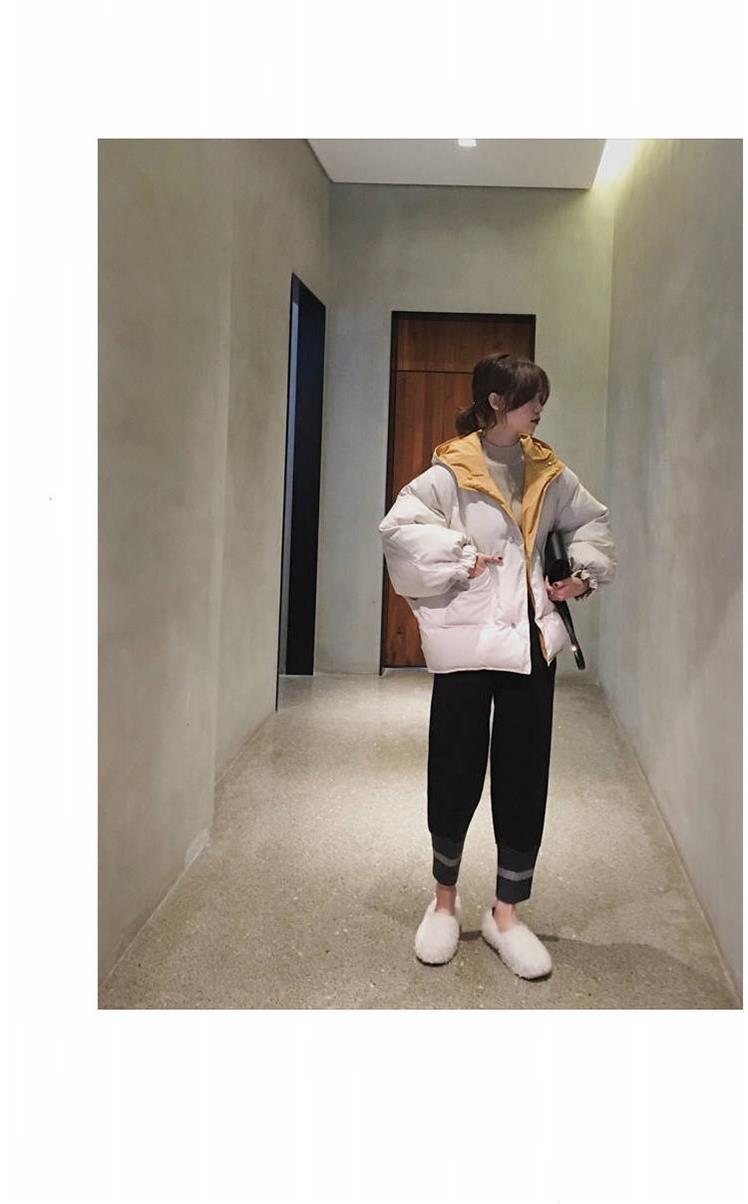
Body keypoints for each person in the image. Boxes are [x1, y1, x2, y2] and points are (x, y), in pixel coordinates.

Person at [378, 352, 617, 980]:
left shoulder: (549, 470)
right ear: (495, 402)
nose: (540, 409)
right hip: (466, 638)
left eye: (542, 398)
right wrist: (460, 553)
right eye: (531, 398)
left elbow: (590, 522)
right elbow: (399, 531)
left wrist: (582, 575)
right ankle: (444, 901)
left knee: (524, 772)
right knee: (454, 765)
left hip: (531, 641)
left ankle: (506, 913)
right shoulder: (451, 469)